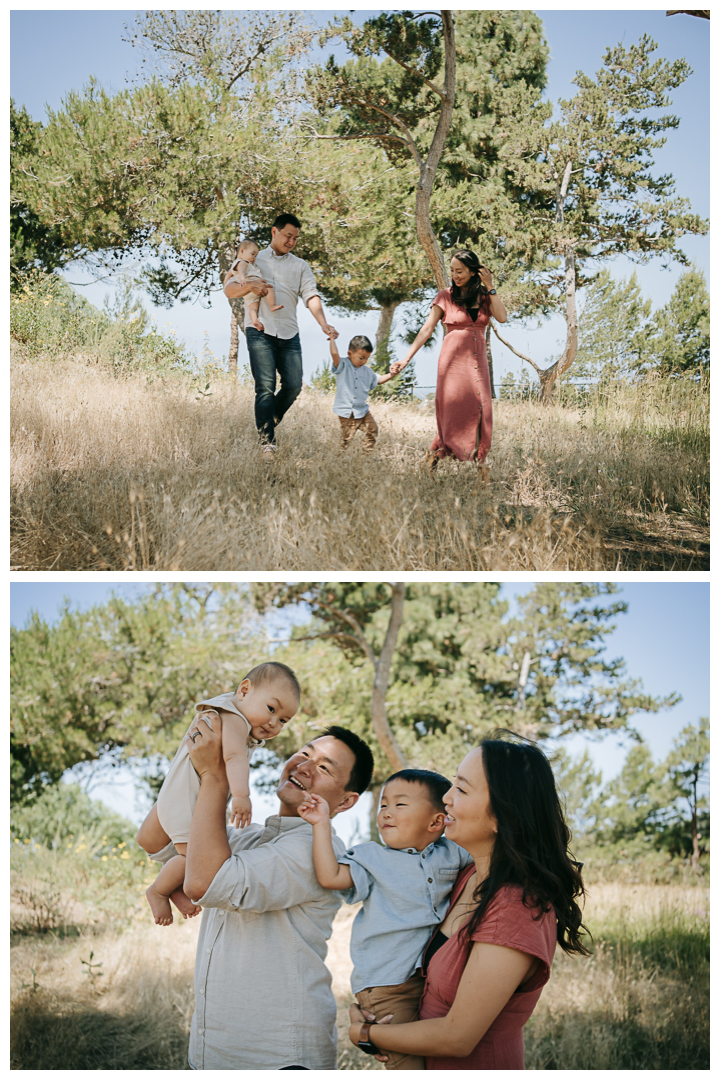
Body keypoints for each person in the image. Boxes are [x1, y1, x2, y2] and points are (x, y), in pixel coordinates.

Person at [348, 733, 590, 1069]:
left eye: (461, 789)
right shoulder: (466, 878)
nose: (445, 798)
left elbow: (457, 1037)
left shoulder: (517, 909)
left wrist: (365, 1033)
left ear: (501, 816)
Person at [151, 718, 374, 1070]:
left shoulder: (316, 849)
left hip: (277, 1055)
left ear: (346, 801)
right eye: (304, 753)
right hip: (213, 1050)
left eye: (324, 768)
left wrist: (215, 777)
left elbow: (203, 884)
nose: (303, 768)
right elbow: (157, 839)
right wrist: (192, 757)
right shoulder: (247, 837)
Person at [299, 768, 473, 1070]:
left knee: (439, 1058)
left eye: (400, 805)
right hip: (387, 984)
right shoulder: (373, 858)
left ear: (436, 821)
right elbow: (330, 876)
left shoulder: (453, 853)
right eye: (383, 805)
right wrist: (320, 825)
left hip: (430, 978)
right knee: (409, 1066)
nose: (386, 813)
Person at [136, 662, 300, 926]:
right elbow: (234, 756)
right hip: (187, 801)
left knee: (160, 845)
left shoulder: (225, 708)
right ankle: (158, 890)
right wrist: (241, 796)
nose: (273, 723)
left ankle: (175, 890)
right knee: (193, 859)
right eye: (271, 709)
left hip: (170, 795)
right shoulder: (235, 718)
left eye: (283, 720)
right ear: (244, 691)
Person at [223, 212, 338, 454]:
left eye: (295, 238)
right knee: (265, 386)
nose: (291, 242)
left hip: (289, 332)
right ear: (274, 232)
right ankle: (267, 443)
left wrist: (323, 323)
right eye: (288, 236)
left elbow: (311, 295)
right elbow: (229, 288)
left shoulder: (300, 266)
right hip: (259, 330)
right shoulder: (253, 257)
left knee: (294, 385)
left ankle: (265, 423)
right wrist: (250, 286)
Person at [392, 251, 507, 472]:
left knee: (482, 411)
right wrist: (406, 358)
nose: (454, 275)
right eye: (452, 270)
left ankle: (477, 463)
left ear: (474, 271)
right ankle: (436, 456)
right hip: (453, 365)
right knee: (453, 414)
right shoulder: (445, 296)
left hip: (478, 365)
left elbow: (501, 317)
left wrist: (490, 286)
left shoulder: (485, 296)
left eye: (460, 271)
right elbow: (427, 329)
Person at [330, 334, 400, 452]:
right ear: (349, 354)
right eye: (361, 358)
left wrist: (392, 375)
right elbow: (334, 354)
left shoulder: (367, 371)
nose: (364, 361)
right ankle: (339, 457)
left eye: (367, 358)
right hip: (346, 411)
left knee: (373, 430)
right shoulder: (343, 365)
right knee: (347, 438)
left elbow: (378, 380)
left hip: (362, 410)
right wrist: (332, 339)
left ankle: (366, 455)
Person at [228, 239, 284, 332]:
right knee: (270, 289)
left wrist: (225, 282)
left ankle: (255, 321)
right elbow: (241, 271)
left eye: (256, 256)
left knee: (253, 308)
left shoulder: (237, 264)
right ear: (242, 251)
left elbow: (229, 275)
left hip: (248, 294)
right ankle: (272, 305)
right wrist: (242, 279)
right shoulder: (243, 262)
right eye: (252, 254)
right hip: (252, 285)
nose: (254, 257)